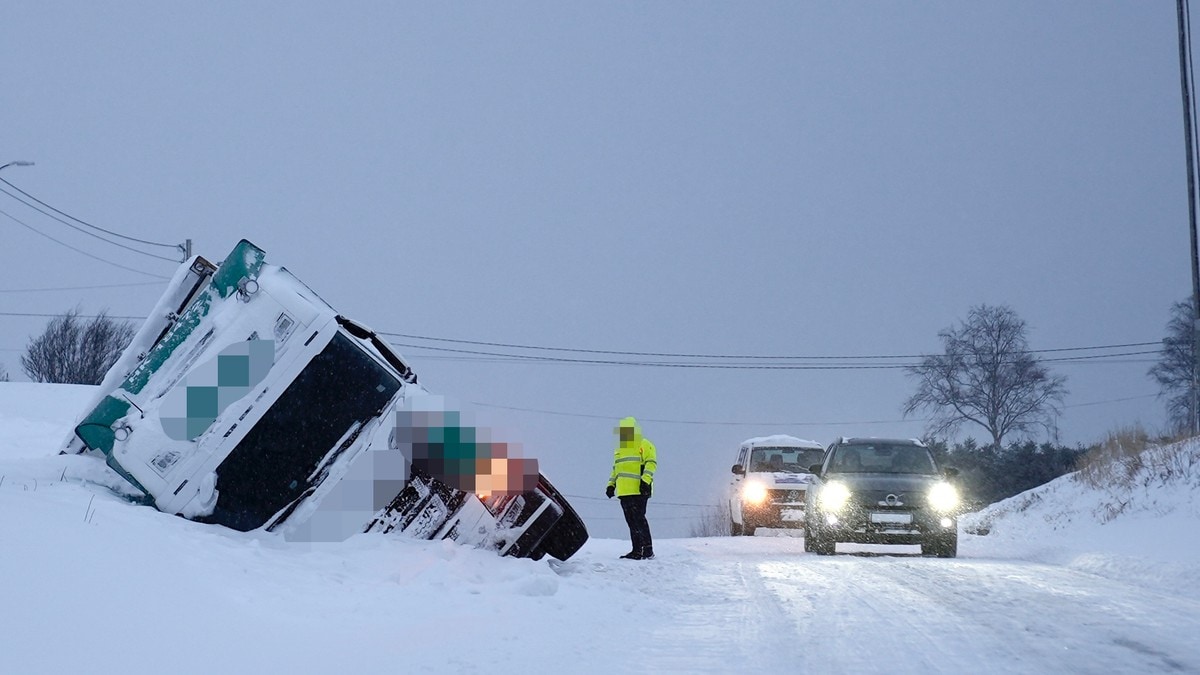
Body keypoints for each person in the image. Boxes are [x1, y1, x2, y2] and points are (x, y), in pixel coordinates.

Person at [605, 416, 657, 560]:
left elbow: (651, 463)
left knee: (638, 520)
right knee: (632, 522)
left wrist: (645, 481)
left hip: (639, 491)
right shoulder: (620, 449)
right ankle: (638, 550)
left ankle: (645, 549)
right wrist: (611, 485)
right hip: (624, 492)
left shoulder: (644, 444)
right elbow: (616, 469)